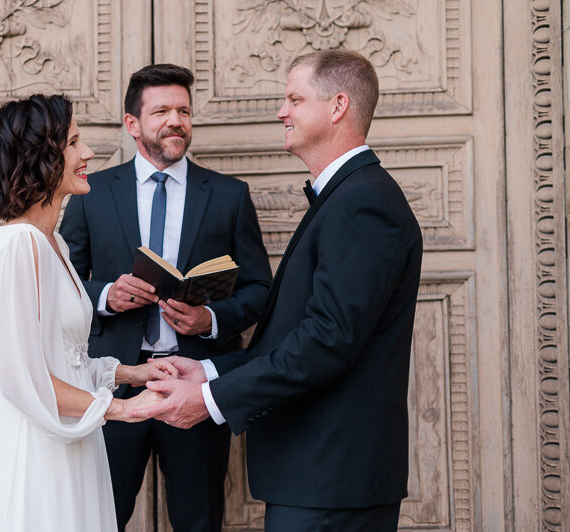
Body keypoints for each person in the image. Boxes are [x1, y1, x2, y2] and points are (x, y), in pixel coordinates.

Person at [133, 50, 424, 531]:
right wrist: (207, 370)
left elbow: (328, 341)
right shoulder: (345, 197)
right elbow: (295, 334)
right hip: (316, 479)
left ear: (337, 107)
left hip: (332, 481)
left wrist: (209, 400)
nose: (280, 111)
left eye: (294, 98)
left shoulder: (363, 203)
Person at [59, 64, 272, 531]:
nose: (176, 120)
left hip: (195, 383)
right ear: (132, 124)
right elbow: (62, 279)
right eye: (161, 111)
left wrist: (209, 320)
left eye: (184, 110)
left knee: (198, 520)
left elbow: (260, 289)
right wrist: (107, 296)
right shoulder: (92, 195)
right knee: (99, 517)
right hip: (113, 384)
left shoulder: (230, 196)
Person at [0, 94, 180, 532]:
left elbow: (67, 361)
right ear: (40, 156)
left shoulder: (54, 244)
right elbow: (24, 378)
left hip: (77, 440)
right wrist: (126, 411)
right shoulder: (17, 246)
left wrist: (132, 375)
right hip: (38, 454)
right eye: (75, 142)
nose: (88, 153)